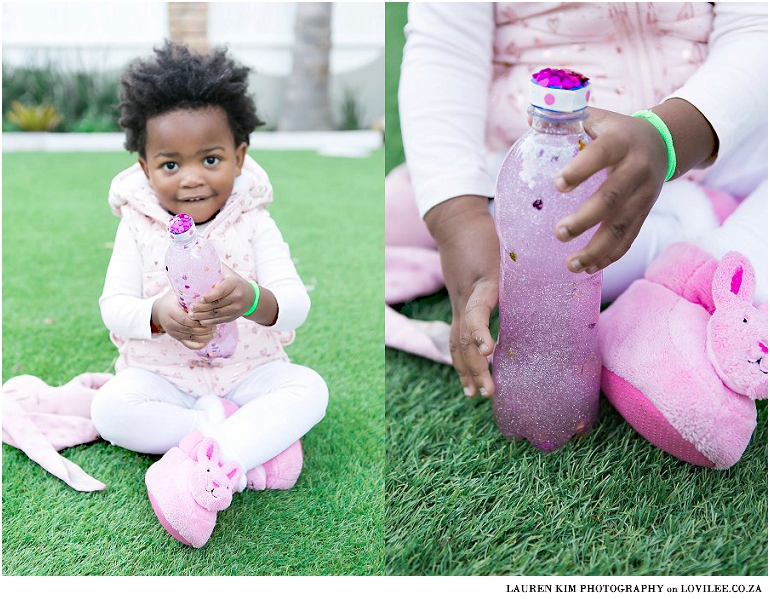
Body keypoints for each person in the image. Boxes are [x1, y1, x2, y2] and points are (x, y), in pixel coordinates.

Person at [387, 2, 767, 401]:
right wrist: (459, 216)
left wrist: (667, 137)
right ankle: (711, 272)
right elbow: (445, 53)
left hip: (716, 139)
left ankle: (692, 287)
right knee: (549, 255)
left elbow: (757, 30)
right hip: (549, 176)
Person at [90, 41, 328, 547]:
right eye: (170, 165)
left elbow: (296, 304)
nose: (192, 178)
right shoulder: (137, 228)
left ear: (240, 158)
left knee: (309, 388)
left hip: (249, 373)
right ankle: (247, 443)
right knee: (110, 411)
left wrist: (252, 299)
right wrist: (157, 314)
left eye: (211, 158)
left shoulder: (254, 223)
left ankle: (203, 466)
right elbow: (113, 305)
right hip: (167, 381)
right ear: (144, 166)